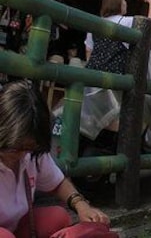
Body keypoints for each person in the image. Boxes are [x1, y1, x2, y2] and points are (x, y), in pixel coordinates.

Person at [0, 81, 112, 238]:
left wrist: (81, 205)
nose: (21, 155)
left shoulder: (32, 152)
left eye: (29, 148)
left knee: (57, 217)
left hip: (14, 226)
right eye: (14, 148)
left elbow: (57, 182)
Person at [81, 0, 151, 138]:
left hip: (92, 81)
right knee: (146, 108)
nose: (126, 4)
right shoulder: (126, 22)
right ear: (118, 5)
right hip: (115, 81)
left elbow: (88, 54)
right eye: (124, 1)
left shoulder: (95, 24)